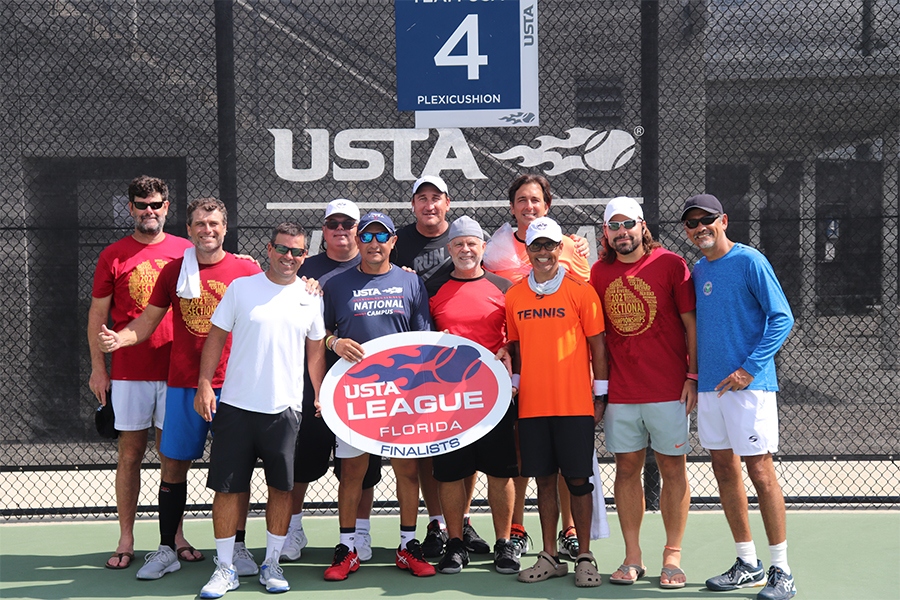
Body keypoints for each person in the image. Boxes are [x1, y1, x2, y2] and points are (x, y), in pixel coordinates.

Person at [98, 198, 260, 580]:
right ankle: (167, 549)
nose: (207, 230)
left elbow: (279, 295)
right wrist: (120, 339)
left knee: (236, 470)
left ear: (225, 228)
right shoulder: (174, 271)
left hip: (234, 389)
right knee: (172, 466)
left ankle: (237, 546)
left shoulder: (246, 270)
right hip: (184, 386)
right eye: (200, 224)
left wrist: (310, 285)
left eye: (214, 223)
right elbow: (147, 322)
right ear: (189, 230)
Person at [195, 222, 326, 598]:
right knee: (227, 489)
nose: (289, 257)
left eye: (297, 251)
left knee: (281, 489)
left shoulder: (310, 296)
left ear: (304, 255)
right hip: (236, 407)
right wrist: (205, 383)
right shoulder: (241, 288)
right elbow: (216, 336)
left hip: (285, 411)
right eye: (282, 249)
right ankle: (225, 567)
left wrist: (319, 393)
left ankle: (271, 563)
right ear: (269, 249)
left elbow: (315, 351)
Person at [681, 194, 796, 600]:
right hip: (710, 389)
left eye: (706, 220)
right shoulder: (697, 270)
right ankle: (748, 563)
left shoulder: (750, 261)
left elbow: (782, 317)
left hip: (750, 387)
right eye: (692, 223)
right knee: (724, 470)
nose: (700, 228)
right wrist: (694, 377)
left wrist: (750, 368)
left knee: (760, 472)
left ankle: (782, 570)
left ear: (724, 221)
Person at [589, 196, 697, 588]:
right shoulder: (598, 273)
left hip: (669, 390)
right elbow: (597, 336)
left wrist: (693, 376)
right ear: (606, 233)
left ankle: (672, 557)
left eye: (628, 224)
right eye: (614, 226)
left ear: (642, 226)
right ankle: (632, 556)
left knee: (672, 469)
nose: (622, 232)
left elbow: (691, 324)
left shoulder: (671, 265)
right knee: (626, 470)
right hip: (622, 393)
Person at [321, 212, 436, 580]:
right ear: (358, 241)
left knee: (408, 471)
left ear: (393, 241)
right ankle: (347, 548)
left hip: (403, 396)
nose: (374, 243)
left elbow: (423, 337)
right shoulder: (336, 284)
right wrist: (335, 342)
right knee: (352, 472)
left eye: (381, 236)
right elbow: (320, 332)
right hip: (357, 394)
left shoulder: (411, 282)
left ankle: (407, 545)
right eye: (367, 236)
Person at [482, 173, 590, 561]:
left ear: (547, 206)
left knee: (564, 460)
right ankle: (516, 528)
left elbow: (583, 293)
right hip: (513, 364)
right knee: (521, 453)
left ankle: (570, 530)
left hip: (563, 367)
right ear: (512, 208)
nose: (529, 206)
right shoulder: (494, 250)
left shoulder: (570, 246)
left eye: (536, 200)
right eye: (522, 200)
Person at [87, 175, 193, 570]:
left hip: (177, 372)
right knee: (130, 455)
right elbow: (98, 315)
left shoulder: (187, 251)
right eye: (141, 204)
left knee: (173, 456)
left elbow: (224, 277)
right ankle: (126, 537)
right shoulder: (113, 255)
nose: (149, 211)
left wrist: (249, 264)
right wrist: (98, 369)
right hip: (129, 372)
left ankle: (175, 535)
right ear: (131, 208)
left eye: (156, 204)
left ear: (166, 207)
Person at [504, 217, 607, 588]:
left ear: (560, 248)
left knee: (578, 481)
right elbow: (515, 347)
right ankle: (549, 556)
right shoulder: (514, 295)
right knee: (544, 482)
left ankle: (585, 557)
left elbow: (598, 346)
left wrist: (601, 394)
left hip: (574, 405)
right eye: (537, 246)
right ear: (528, 250)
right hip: (532, 407)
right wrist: (515, 386)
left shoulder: (582, 291)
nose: (544, 252)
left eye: (550, 245)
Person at [391, 176, 489, 558]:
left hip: (458, 357)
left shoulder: (465, 237)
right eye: (422, 198)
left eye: (436, 198)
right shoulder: (398, 241)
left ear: (447, 203)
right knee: (428, 447)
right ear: (413, 205)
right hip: (415, 357)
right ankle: (436, 523)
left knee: (466, 441)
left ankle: (460, 519)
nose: (429, 205)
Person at [281, 199, 382, 564]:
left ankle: (360, 531)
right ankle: (292, 529)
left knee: (362, 468)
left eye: (348, 224)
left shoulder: (375, 263)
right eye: (333, 223)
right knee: (301, 463)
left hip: (363, 386)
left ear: (358, 229)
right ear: (323, 230)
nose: (341, 229)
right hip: (311, 383)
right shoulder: (304, 268)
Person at [428, 216, 519, 576]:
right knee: (451, 474)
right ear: (449, 248)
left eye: (472, 243)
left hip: (494, 397)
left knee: (499, 472)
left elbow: (517, 338)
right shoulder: (432, 288)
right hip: (447, 400)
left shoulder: (504, 287)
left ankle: (503, 543)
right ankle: (455, 544)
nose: (465, 249)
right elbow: (421, 340)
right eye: (458, 244)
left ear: (483, 247)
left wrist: (511, 362)